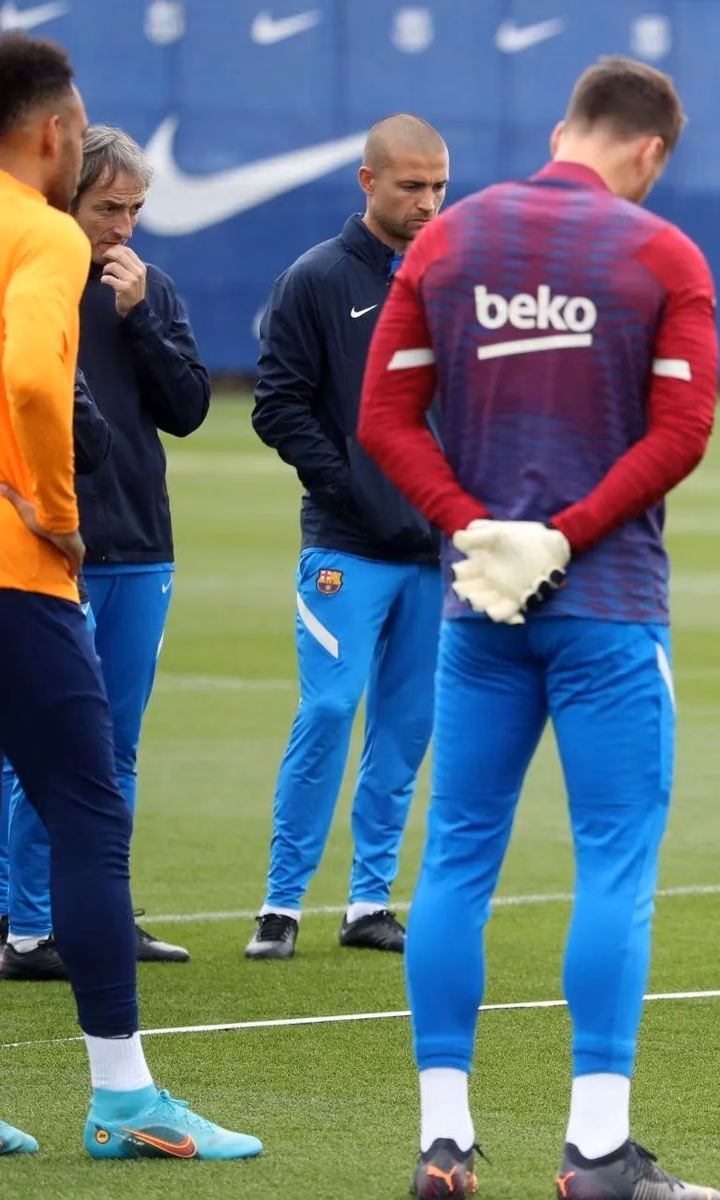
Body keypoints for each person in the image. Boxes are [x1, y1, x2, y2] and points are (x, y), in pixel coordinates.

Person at [356, 57, 720, 1199]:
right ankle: (597, 1152)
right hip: (608, 607)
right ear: (649, 151)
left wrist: (472, 528)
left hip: (481, 608)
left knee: (457, 855)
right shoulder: (663, 253)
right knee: (613, 859)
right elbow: (683, 431)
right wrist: (561, 536)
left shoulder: (447, 239)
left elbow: (383, 417)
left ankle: (443, 1144)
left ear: (566, 128)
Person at [0, 29, 258, 1161]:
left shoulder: (118, 272)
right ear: (56, 135)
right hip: (27, 567)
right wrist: (55, 506)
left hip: (118, 552)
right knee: (89, 805)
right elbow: (30, 381)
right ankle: (123, 1096)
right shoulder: (42, 234)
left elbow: (182, 403)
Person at [0, 123, 205, 983]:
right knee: (47, 749)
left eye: (135, 210)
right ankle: (28, 925)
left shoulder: (146, 288)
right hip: (49, 547)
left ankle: (96, 912)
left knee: (116, 749)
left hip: (140, 544)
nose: (122, 227)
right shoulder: (31, 278)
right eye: (107, 209)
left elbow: (188, 409)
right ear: (65, 199)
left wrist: (142, 318)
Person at [246, 114, 450, 961]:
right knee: (330, 708)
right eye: (412, 186)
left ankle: (369, 902)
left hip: (437, 554)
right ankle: (280, 904)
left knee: (406, 726)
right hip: (346, 548)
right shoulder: (317, 278)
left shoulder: (457, 277)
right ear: (368, 183)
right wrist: (355, 488)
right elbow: (277, 406)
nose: (428, 203)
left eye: (439, 186)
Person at [0, 370, 111, 973]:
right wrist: (61, 522)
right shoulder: (36, 331)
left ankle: (23, 922)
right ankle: (33, 930)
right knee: (66, 761)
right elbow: (82, 437)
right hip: (30, 580)